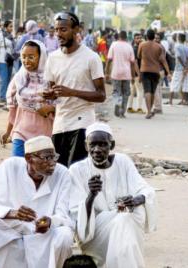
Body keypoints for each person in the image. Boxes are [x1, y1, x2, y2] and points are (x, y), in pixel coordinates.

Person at [0, 136, 74, 268]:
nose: (52, 162)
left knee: (64, 235)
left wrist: (50, 221)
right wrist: (13, 213)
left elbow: (64, 215)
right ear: (29, 158)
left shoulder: (62, 173)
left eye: (54, 157)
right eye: (47, 158)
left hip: (44, 234)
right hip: (11, 230)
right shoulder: (10, 166)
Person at [69, 122, 157, 268]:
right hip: (96, 234)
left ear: (112, 145)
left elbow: (146, 191)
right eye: (93, 145)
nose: (97, 150)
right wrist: (91, 195)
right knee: (124, 219)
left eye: (103, 144)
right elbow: (76, 214)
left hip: (125, 224)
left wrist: (134, 201)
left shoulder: (123, 162)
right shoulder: (76, 170)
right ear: (86, 146)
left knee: (128, 217)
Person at [43, 12, 106, 167]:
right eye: (56, 30)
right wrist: (49, 94)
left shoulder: (91, 58)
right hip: (60, 123)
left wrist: (72, 92)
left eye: (63, 29)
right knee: (59, 171)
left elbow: (101, 95)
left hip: (82, 122)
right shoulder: (52, 58)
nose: (58, 34)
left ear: (76, 29)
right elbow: (50, 91)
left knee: (75, 171)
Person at [1, 40, 55, 157]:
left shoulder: (51, 79)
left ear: (41, 57)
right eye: (24, 57)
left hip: (44, 134)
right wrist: (8, 132)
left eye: (31, 57)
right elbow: (13, 109)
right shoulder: (19, 78)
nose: (26, 61)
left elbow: (62, 104)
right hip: (21, 131)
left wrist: (50, 108)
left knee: (38, 171)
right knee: (17, 165)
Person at [137, 29, 170, 119]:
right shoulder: (159, 47)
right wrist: (168, 73)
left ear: (146, 36)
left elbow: (139, 56)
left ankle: (148, 111)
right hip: (155, 71)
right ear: (153, 37)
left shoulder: (142, 45)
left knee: (147, 91)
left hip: (145, 70)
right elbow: (163, 60)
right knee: (152, 91)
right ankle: (150, 110)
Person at [105, 30, 138, 118]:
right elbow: (132, 63)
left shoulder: (113, 45)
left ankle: (117, 107)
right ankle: (122, 112)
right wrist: (133, 76)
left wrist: (106, 73)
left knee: (117, 92)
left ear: (118, 36)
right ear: (126, 37)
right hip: (126, 74)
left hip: (116, 73)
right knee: (126, 93)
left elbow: (109, 60)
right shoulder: (129, 46)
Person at [0, 20, 15, 103]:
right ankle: (2, 97)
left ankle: (7, 96)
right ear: (5, 27)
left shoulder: (11, 36)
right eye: (10, 26)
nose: (12, 28)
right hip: (2, 60)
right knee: (4, 79)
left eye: (12, 26)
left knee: (8, 79)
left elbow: (13, 48)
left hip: (10, 60)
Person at [168, 33, 188, 105]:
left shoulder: (177, 46)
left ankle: (170, 101)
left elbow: (178, 57)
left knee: (173, 84)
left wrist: (184, 66)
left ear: (178, 38)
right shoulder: (187, 47)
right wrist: (186, 67)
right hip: (185, 69)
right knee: (184, 84)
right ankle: (184, 101)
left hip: (178, 68)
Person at [127, 33, 145, 114]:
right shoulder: (135, 49)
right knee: (140, 91)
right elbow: (135, 63)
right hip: (136, 73)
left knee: (132, 91)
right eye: (137, 38)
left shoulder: (133, 48)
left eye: (140, 38)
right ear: (134, 39)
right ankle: (139, 108)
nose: (139, 39)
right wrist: (139, 74)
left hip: (132, 73)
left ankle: (129, 107)